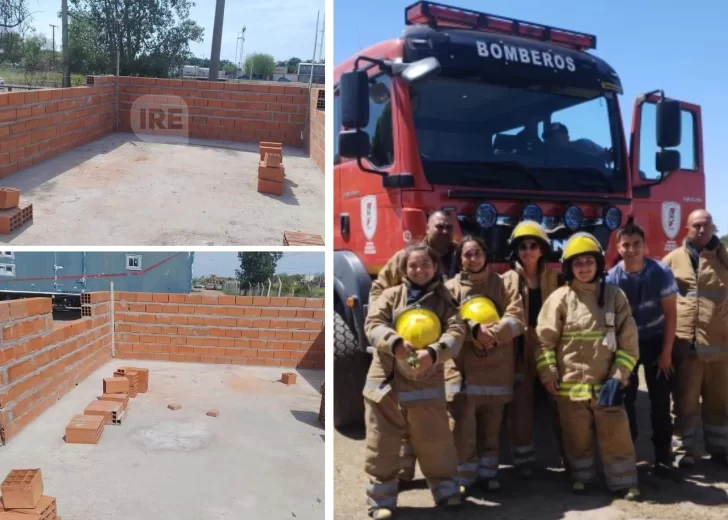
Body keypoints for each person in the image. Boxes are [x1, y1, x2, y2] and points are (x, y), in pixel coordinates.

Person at [363, 242, 466, 519]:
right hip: (386, 382)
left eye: (425, 264)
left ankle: (446, 490)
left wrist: (433, 353)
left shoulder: (445, 301)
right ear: (404, 268)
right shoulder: (391, 295)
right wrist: (393, 342)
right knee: (382, 442)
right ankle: (380, 500)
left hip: (426, 380)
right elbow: (372, 325)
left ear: (435, 268)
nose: (419, 270)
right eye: (413, 265)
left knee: (436, 440)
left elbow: (456, 333)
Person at [535, 232, 641, 500]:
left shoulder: (615, 296)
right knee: (576, 438)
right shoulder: (560, 298)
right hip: (571, 389)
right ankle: (581, 477)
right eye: (577, 263)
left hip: (608, 386)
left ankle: (624, 481)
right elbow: (543, 341)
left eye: (588, 261)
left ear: (598, 264)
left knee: (617, 436)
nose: (583, 268)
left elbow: (629, 344)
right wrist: (548, 373)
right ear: (569, 267)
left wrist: (618, 378)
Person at [444, 236, 525, 493]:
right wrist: (473, 331)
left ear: (485, 255)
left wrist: (495, 333)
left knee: (491, 424)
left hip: (496, 365)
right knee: (463, 424)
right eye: (467, 254)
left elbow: (517, 317)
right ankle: (465, 476)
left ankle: (489, 474)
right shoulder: (449, 289)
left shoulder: (501, 284)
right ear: (460, 259)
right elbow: (446, 320)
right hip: (462, 367)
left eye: (477, 253)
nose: (473, 258)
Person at [605, 222, 680, 479]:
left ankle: (663, 459)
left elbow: (671, 315)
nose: (632, 249)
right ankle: (631, 458)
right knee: (627, 402)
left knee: (660, 402)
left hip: (657, 341)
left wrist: (667, 352)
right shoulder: (612, 278)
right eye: (626, 245)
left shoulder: (661, 272)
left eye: (637, 244)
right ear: (618, 247)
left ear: (644, 245)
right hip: (627, 346)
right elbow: (610, 322)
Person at [663, 209, 728, 468]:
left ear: (713, 228)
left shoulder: (724, 258)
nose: (702, 230)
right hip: (686, 348)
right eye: (696, 226)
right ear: (687, 230)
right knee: (684, 403)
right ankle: (684, 452)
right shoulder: (671, 260)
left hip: (721, 349)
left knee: (719, 403)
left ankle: (721, 449)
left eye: (706, 225)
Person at [502, 221, 561, 478]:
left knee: (559, 397)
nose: (528, 251)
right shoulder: (506, 280)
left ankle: (568, 452)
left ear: (542, 249)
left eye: (533, 245)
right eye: (522, 246)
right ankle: (524, 457)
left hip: (548, 344)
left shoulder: (555, 278)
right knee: (521, 403)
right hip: (519, 348)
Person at [369, 211, 458, 307]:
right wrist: (379, 315)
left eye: (449, 228)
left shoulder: (463, 254)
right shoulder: (405, 257)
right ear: (427, 229)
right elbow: (379, 289)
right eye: (439, 227)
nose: (445, 231)